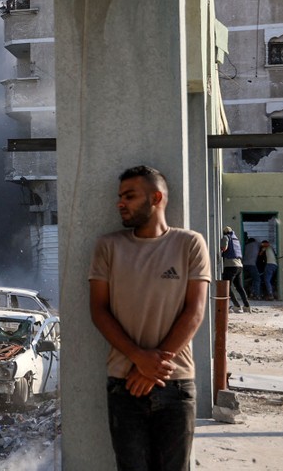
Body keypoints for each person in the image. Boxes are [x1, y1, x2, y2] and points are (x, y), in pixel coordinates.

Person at [89, 166, 210, 471]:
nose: (120, 203)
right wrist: (137, 358)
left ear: (156, 198)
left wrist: (151, 366)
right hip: (124, 385)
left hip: (176, 383)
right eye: (120, 197)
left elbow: (195, 311)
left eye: (129, 196)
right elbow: (99, 310)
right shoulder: (108, 247)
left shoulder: (190, 244)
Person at [221, 227, 250, 313]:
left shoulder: (226, 237)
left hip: (230, 265)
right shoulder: (235, 239)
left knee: (227, 287)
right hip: (239, 266)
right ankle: (247, 306)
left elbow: (224, 248)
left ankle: (237, 306)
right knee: (239, 287)